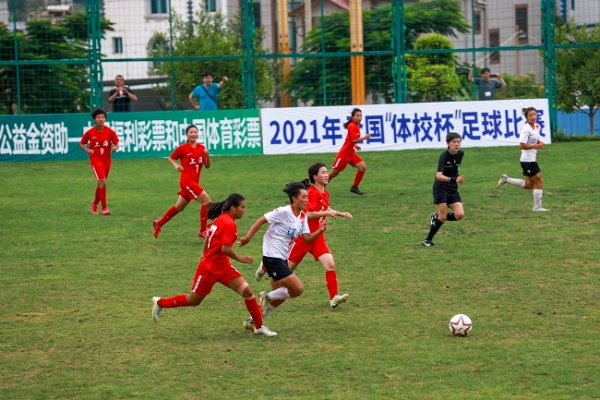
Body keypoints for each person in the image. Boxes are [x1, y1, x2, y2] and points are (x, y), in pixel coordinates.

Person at [151, 194, 277, 337]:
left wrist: (204, 252)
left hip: (223, 267)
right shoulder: (228, 223)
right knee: (193, 300)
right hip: (209, 269)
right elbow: (225, 248)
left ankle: (258, 326)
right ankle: (160, 303)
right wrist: (240, 258)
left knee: (247, 292)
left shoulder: (222, 219)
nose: (244, 210)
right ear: (233, 208)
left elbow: (208, 234)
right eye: (242, 207)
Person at [255, 162, 352, 308]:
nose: (327, 175)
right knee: (286, 269)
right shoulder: (310, 193)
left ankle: (334, 297)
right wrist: (328, 213)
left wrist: (338, 213)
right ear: (315, 176)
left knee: (330, 264)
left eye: (327, 172)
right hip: (303, 237)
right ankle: (265, 268)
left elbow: (325, 208)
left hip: (318, 237)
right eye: (323, 173)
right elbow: (308, 214)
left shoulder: (325, 193)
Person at [238, 182, 326, 332]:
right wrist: (247, 238)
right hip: (272, 257)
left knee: (281, 296)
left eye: (307, 197)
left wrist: (320, 230)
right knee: (297, 289)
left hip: (282, 258)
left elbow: (307, 238)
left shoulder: (303, 217)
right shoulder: (283, 212)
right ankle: (265, 296)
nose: (307, 200)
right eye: (303, 197)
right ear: (294, 198)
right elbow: (262, 220)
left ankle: (253, 321)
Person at [153, 125, 212, 239]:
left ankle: (159, 223)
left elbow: (207, 166)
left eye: (195, 132)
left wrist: (207, 156)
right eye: (191, 132)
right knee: (207, 202)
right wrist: (176, 165)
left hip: (194, 183)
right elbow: (170, 157)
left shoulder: (201, 148)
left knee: (179, 207)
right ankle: (203, 231)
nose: (193, 134)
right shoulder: (183, 148)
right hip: (187, 182)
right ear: (187, 135)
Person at [495, 107, 549, 212]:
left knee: (529, 185)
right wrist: (537, 146)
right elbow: (522, 145)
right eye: (530, 115)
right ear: (526, 117)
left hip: (530, 159)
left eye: (534, 114)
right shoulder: (526, 129)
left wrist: (540, 142)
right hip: (527, 160)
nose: (533, 117)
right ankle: (537, 207)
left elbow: (535, 139)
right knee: (539, 181)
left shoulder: (537, 127)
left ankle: (507, 179)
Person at [422, 132, 465, 247]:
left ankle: (435, 218)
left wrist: (458, 177)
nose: (456, 144)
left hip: (452, 188)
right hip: (440, 188)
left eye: (458, 142)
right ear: (448, 144)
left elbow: (456, 170)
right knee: (443, 217)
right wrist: (453, 179)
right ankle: (427, 240)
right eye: (454, 142)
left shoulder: (460, 154)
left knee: (459, 215)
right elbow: (438, 176)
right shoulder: (443, 156)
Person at [79, 108, 119, 215]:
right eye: (98, 117)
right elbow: (81, 143)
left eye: (102, 117)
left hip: (107, 161)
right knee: (103, 182)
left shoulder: (110, 131)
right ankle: (104, 208)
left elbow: (116, 143)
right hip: (96, 161)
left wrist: (115, 147)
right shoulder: (90, 132)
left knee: (101, 184)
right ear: (94, 119)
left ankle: (95, 204)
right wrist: (88, 150)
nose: (101, 119)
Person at [328, 107, 371, 195]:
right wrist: (364, 137)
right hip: (344, 154)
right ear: (352, 117)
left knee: (363, 167)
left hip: (350, 153)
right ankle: (318, 186)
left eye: (360, 116)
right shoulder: (352, 126)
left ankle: (354, 187)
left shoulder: (355, 126)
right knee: (334, 173)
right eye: (357, 116)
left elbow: (349, 139)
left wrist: (355, 146)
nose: (359, 117)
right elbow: (353, 140)